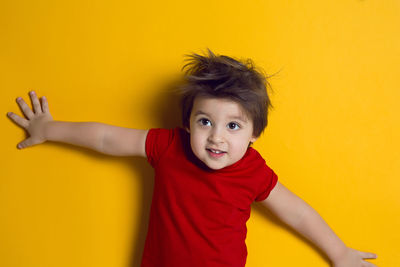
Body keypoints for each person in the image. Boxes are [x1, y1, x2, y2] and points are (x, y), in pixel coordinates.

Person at [6, 49, 377, 267]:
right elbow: (105, 138)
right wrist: (48, 130)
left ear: (255, 134)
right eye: (205, 122)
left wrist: (340, 252)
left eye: (234, 126)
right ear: (187, 124)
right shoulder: (168, 147)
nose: (216, 137)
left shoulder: (253, 171)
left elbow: (296, 211)